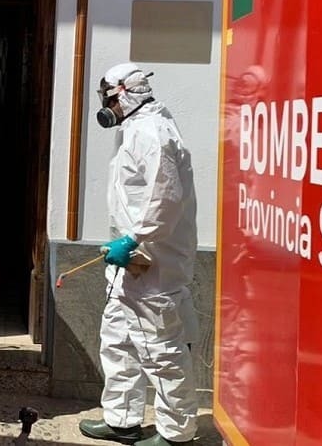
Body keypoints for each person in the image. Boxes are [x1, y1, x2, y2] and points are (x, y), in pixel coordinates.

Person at [79, 63, 200, 445]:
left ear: (128, 93)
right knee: (118, 340)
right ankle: (122, 420)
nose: (107, 106)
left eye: (110, 98)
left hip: (154, 264)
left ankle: (176, 433)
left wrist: (135, 239)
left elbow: (165, 197)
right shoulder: (135, 127)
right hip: (129, 263)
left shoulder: (153, 132)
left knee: (161, 349)